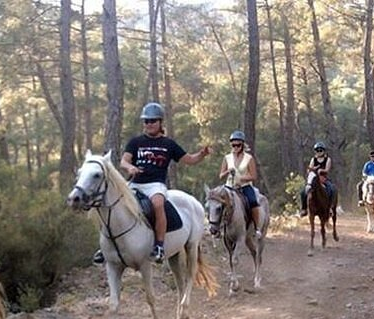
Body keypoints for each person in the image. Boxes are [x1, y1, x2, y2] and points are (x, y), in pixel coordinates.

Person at [93, 102, 210, 265]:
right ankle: (106, 247)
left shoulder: (168, 144)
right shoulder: (136, 142)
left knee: (157, 204)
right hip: (135, 183)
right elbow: (124, 161)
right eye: (146, 121)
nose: (149, 124)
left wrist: (202, 154)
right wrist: (130, 167)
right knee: (112, 203)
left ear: (160, 122)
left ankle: (159, 246)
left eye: (152, 121)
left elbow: (189, 159)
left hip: (156, 184)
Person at [218, 130, 263, 238]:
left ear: (242, 145)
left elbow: (253, 176)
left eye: (238, 145)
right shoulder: (227, 158)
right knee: (217, 202)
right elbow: (221, 175)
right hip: (229, 187)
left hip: (244, 187)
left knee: (253, 202)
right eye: (233, 145)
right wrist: (228, 172)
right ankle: (217, 228)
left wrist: (241, 178)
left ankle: (257, 228)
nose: (236, 147)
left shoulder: (249, 158)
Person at [298, 141, 335, 217]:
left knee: (331, 189)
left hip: (323, 178)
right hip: (314, 179)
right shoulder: (313, 159)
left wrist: (321, 170)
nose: (319, 152)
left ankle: (330, 208)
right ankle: (304, 209)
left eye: (321, 150)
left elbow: (327, 169)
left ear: (324, 151)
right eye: (317, 150)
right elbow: (310, 168)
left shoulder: (328, 159)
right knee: (303, 191)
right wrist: (312, 170)